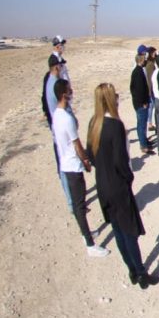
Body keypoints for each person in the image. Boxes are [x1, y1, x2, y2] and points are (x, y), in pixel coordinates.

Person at [86, 83, 159, 288]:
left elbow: (91, 154)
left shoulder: (93, 123)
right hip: (118, 186)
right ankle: (141, 273)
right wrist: (128, 178)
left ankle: (131, 270)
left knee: (118, 230)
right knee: (130, 232)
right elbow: (121, 161)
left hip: (103, 184)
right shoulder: (115, 126)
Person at [51, 79, 109, 258]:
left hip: (66, 163)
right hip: (73, 166)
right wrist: (86, 161)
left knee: (79, 205)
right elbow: (77, 145)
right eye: (69, 90)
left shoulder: (57, 114)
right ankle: (90, 244)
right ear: (64, 94)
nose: (72, 92)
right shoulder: (67, 119)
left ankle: (86, 234)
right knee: (80, 205)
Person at [43, 55, 73, 210]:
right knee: (65, 164)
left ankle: (71, 199)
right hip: (61, 129)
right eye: (61, 66)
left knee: (63, 162)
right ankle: (71, 201)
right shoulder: (55, 85)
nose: (62, 68)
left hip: (57, 127)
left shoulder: (49, 80)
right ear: (56, 67)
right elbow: (62, 106)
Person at [129, 50, 154, 156]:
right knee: (141, 124)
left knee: (142, 124)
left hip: (140, 102)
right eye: (144, 59)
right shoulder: (138, 72)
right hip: (141, 104)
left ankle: (144, 141)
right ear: (141, 60)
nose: (145, 61)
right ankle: (144, 146)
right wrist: (143, 102)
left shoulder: (138, 71)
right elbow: (139, 90)